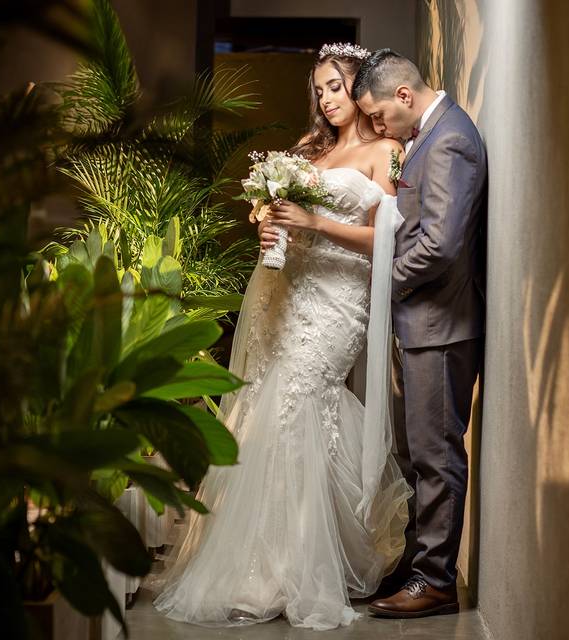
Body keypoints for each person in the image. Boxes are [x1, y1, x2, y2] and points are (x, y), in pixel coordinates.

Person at [152, 43, 411, 631]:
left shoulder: (386, 153)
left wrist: (315, 221)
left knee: (300, 406)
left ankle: (300, 564)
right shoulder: (307, 151)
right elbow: (267, 211)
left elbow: (389, 241)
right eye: (318, 89)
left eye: (335, 86)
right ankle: (261, 564)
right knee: (265, 408)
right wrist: (266, 216)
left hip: (338, 300)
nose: (325, 98)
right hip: (285, 292)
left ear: (360, 86)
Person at [352, 48, 487, 619]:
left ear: (403, 96)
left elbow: (439, 244)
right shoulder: (429, 138)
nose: (377, 129)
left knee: (435, 457)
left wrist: (385, 284)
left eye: (379, 115)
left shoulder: (451, 141)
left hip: (440, 326)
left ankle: (433, 581)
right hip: (422, 323)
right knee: (416, 456)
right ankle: (416, 564)